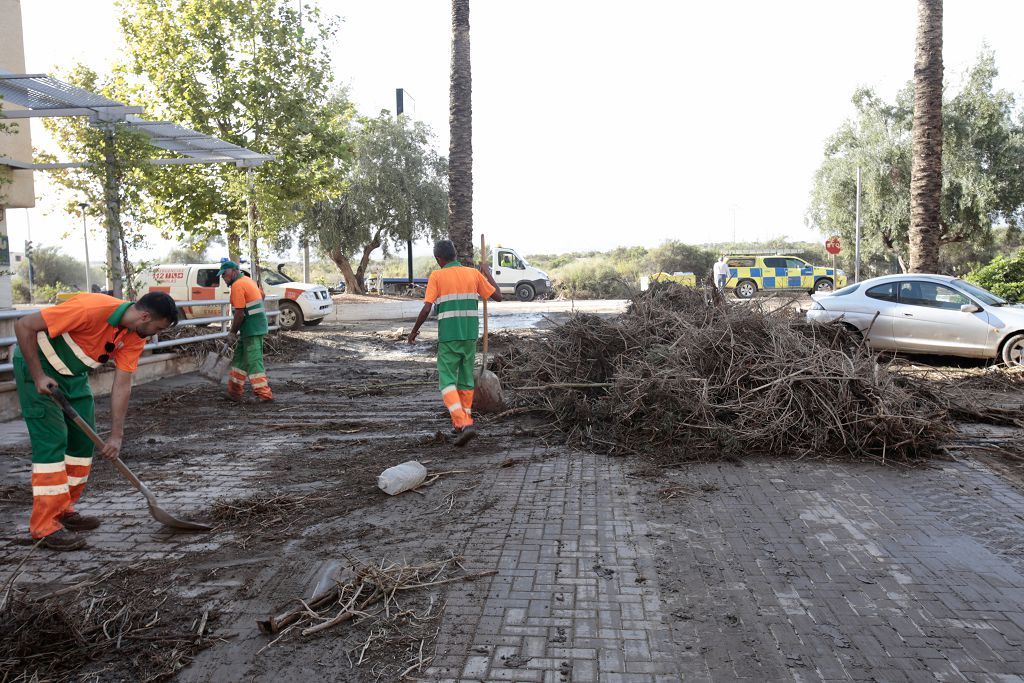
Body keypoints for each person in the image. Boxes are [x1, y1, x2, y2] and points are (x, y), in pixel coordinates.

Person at [13, 291, 179, 550]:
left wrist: (116, 435)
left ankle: (64, 509)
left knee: (81, 444)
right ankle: (45, 527)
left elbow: (123, 384)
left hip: (74, 376)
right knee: (53, 442)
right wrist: (37, 375)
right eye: (157, 328)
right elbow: (23, 325)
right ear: (144, 316)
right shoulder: (91, 308)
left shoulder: (134, 335)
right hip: (37, 368)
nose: (155, 334)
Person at [407, 240, 502, 446]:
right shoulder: (474, 274)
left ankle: (464, 423)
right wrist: (487, 272)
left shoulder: (437, 276)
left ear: (438, 259)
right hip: (469, 335)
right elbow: (499, 296)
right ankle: (460, 426)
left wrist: (414, 332)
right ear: (455, 254)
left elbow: (426, 309)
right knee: (466, 381)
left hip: (449, 337)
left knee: (447, 382)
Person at [218, 261, 273, 402]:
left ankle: (264, 395)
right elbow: (262, 296)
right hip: (252, 327)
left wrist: (231, 333)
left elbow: (240, 313)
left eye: (225, 273)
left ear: (234, 270)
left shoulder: (237, 285)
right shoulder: (247, 280)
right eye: (222, 275)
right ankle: (234, 392)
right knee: (239, 360)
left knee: (254, 361)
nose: (223, 277)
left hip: (251, 328)